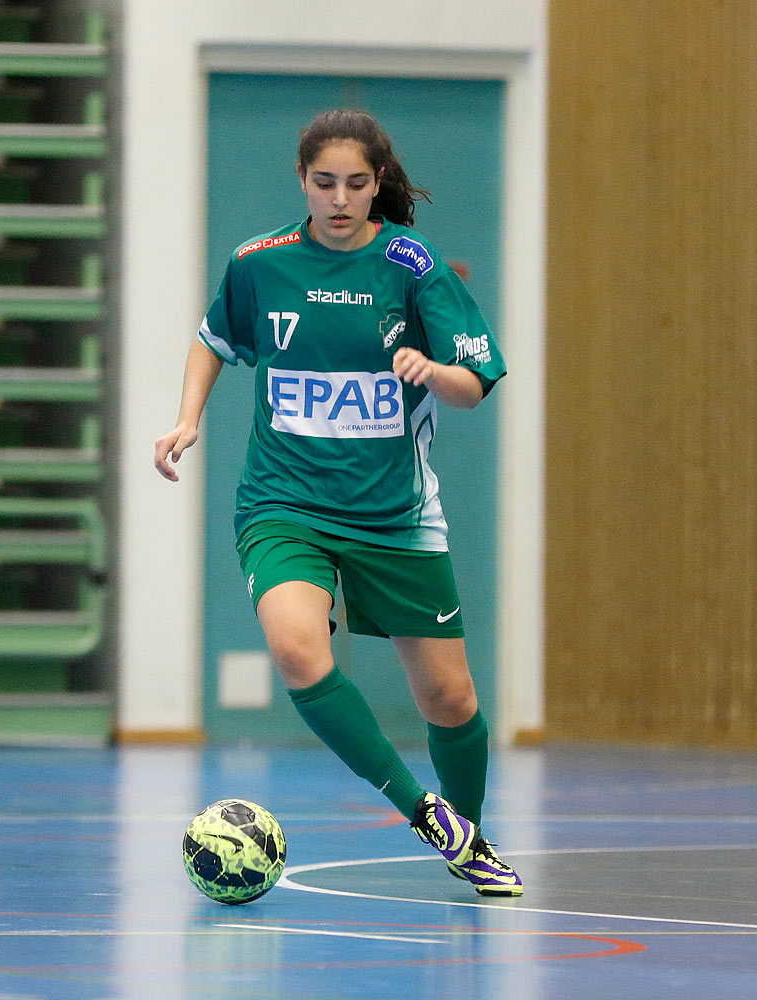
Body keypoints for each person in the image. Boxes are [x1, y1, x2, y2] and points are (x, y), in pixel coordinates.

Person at [153, 108, 521, 896]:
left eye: (357, 183)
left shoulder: (412, 264)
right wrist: (186, 418)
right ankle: (424, 813)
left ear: (377, 184)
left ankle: (467, 836)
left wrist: (430, 371)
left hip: (395, 514)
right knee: (294, 646)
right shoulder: (260, 262)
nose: (341, 198)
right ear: (303, 182)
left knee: (449, 698)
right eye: (325, 182)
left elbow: (473, 386)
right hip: (285, 502)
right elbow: (212, 341)